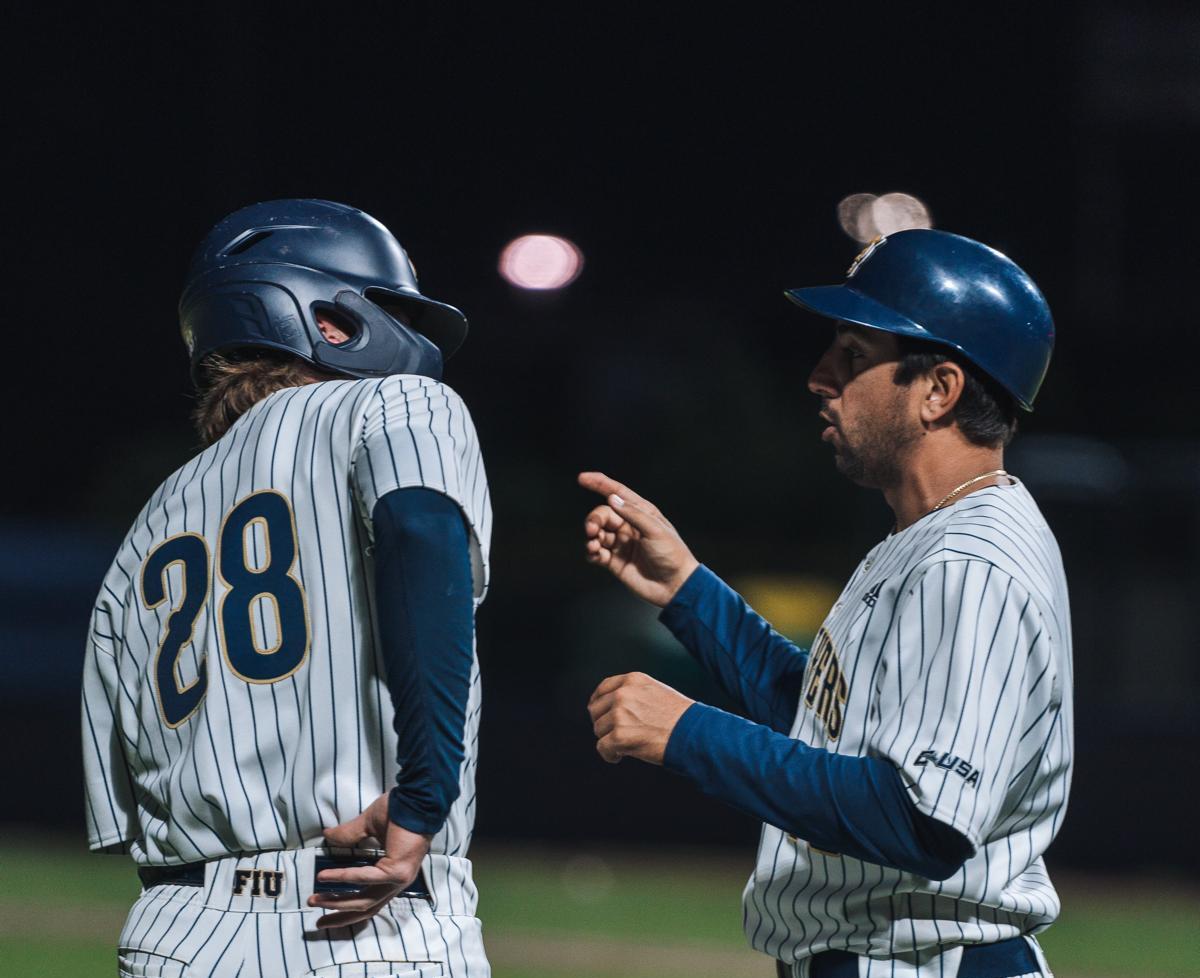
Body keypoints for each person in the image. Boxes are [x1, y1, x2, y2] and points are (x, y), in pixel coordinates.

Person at [580, 228, 1070, 978]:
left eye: (853, 356)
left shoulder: (971, 564)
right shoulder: (930, 535)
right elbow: (826, 724)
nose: (819, 376)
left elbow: (922, 820)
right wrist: (687, 588)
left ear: (939, 390)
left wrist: (689, 732)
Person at [81, 199, 493, 978]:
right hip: (360, 921)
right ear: (330, 321)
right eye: (389, 306)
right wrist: (424, 792)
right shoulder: (393, 402)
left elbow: (119, 803)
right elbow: (417, 529)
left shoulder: (147, 523)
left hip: (176, 932)